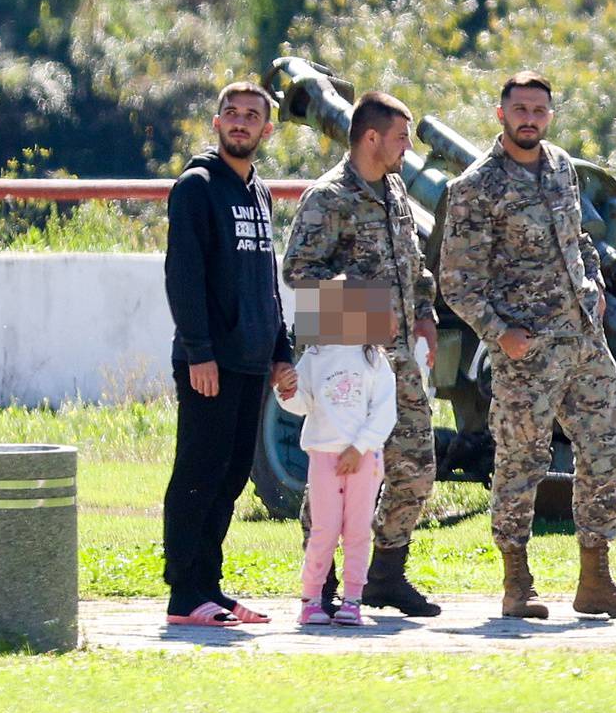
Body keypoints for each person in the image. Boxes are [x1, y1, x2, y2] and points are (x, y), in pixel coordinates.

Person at [439, 71, 616, 620]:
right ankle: (517, 583)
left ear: (549, 116)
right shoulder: (476, 187)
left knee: (605, 454)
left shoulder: (560, 167)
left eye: (538, 109)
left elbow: (578, 235)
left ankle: (596, 580)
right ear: (500, 114)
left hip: (582, 341)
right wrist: (500, 334)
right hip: (526, 351)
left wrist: (596, 288)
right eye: (520, 109)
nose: (529, 118)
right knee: (520, 463)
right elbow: (457, 281)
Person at [282, 91, 442, 617]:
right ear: (371, 137)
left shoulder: (393, 189)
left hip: (396, 357)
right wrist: (367, 310)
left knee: (416, 462)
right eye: (401, 137)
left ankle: (385, 576)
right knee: (335, 468)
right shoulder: (327, 197)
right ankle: (322, 582)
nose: (406, 148)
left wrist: (425, 314)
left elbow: (411, 261)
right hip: (343, 358)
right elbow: (300, 275)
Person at [161, 80, 297, 627]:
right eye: (231, 113)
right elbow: (183, 277)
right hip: (208, 362)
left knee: (232, 475)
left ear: (268, 129)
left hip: (249, 362)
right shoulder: (196, 187)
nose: (240, 122)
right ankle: (182, 593)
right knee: (199, 471)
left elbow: (265, 282)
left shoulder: (258, 192)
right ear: (216, 123)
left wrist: (280, 352)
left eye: (252, 115)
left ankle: (209, 588)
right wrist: (198, 352)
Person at [275, 279, 398, 627]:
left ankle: (353, 599)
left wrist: (359, 448)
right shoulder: (314, 358)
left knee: (358, 530)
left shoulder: (375, 361)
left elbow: (384, 413)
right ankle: (311, 598)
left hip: (364, 460)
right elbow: (303, 403)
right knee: (324, 529)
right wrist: (285, 391)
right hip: (324, 457)